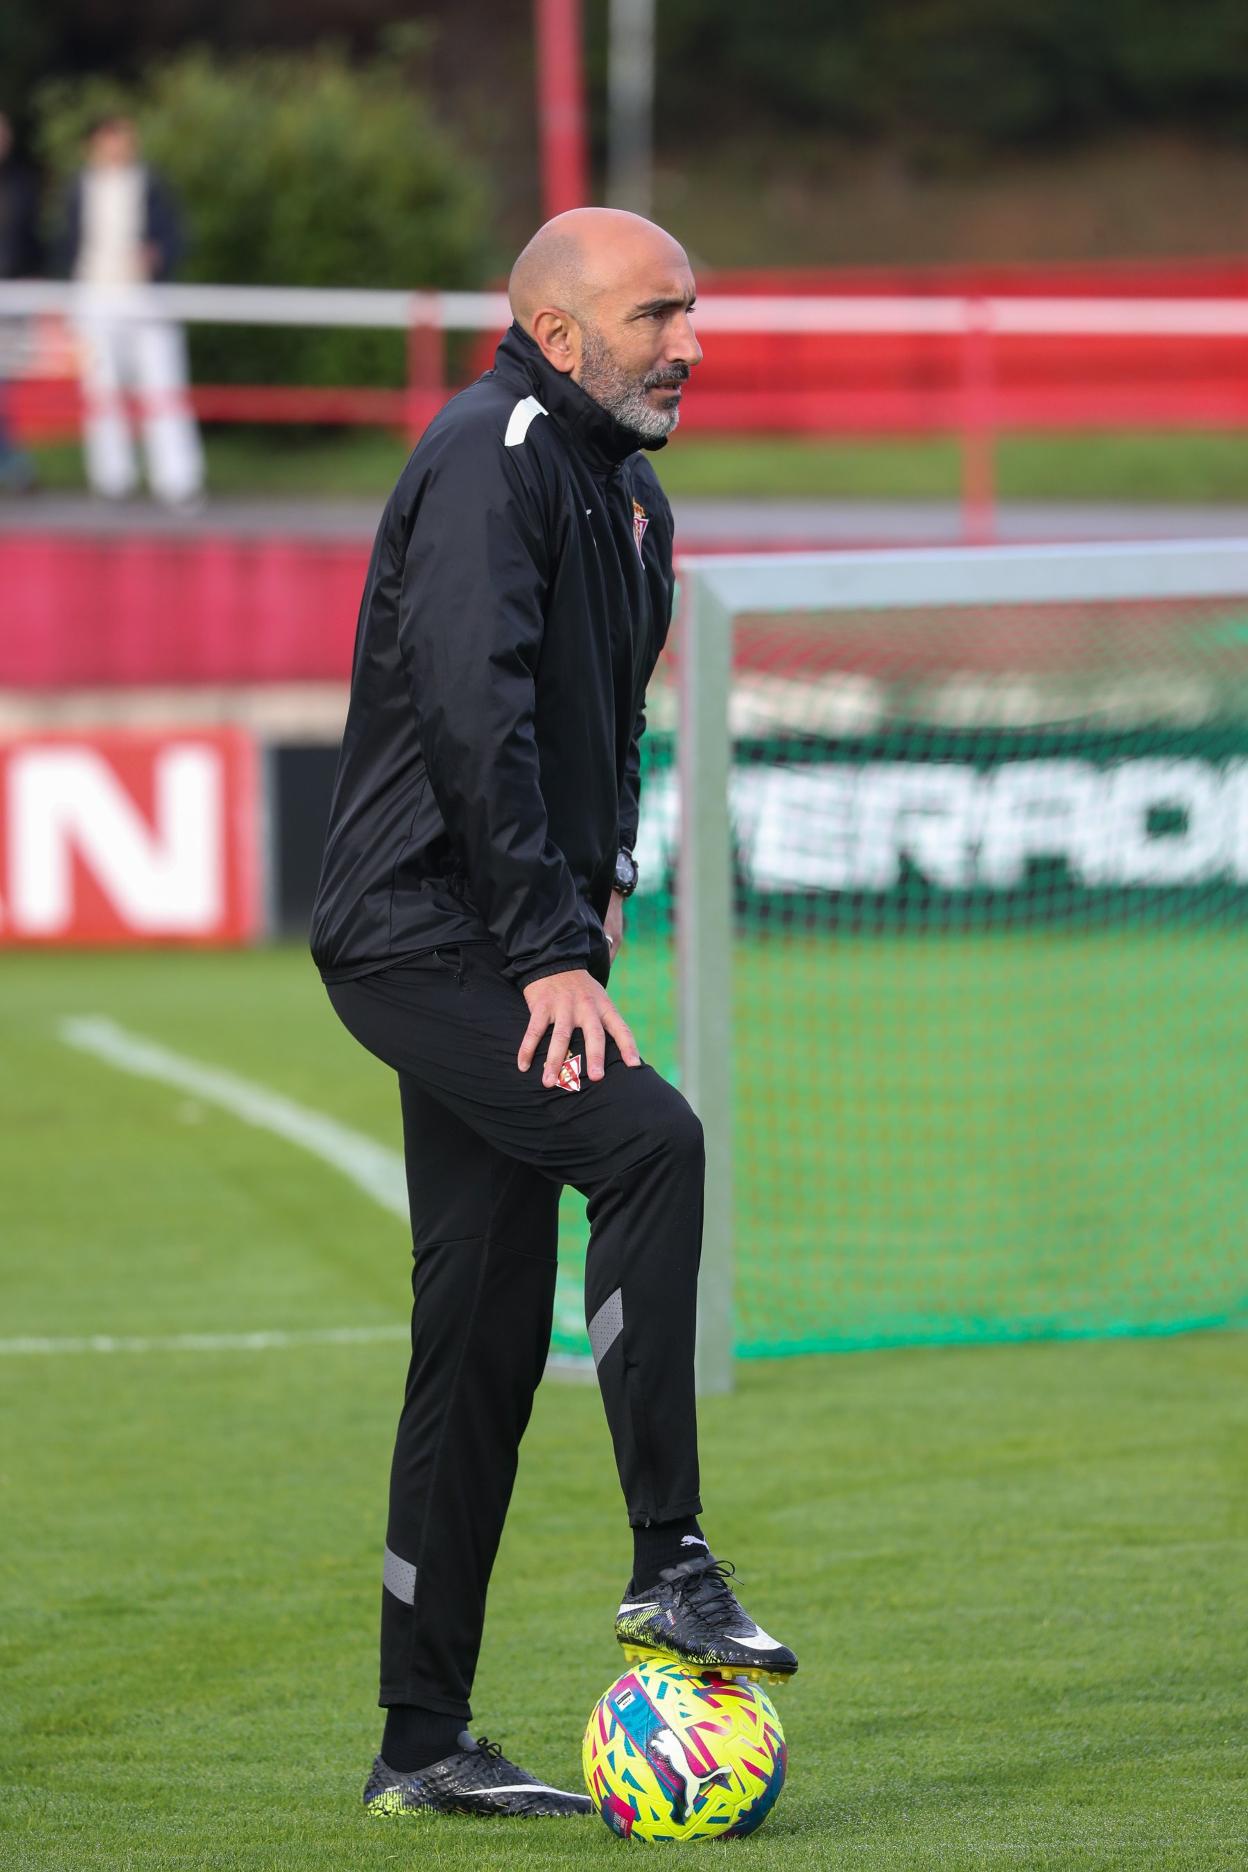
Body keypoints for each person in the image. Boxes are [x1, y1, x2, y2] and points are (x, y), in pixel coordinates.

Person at [310, 207, 798, 1820]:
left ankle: (416, 1744)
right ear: (560, 330)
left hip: (505, 933)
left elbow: (600, 727)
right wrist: (538, 945)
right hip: (417, 933)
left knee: (479, 1328)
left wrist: (598, 887)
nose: (689, 341)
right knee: (648, 1139)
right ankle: (671, 1556)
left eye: (692, 309)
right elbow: (474, 703)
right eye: (659, 311)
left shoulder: (630, 499)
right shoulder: (489, 451)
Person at [60, 115, 203, 506]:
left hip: (146, 296)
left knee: (164, 387)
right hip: (93, 297)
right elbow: (67, 242)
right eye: (112, 139)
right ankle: (112, 481)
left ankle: (177, 480)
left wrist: (156, 256)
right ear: (96, 144)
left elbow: (175, 237)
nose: (119, 147)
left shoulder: (153, 184)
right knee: (101, 391)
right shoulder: (78, 187)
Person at [0, 110, 40, 493]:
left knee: (4, 387)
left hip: (11, 295)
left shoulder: (22, 186)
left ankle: (13, 466)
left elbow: (34, 243)